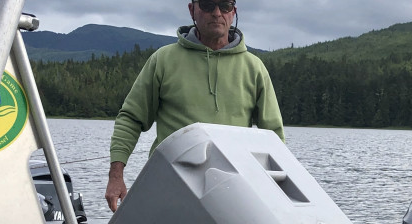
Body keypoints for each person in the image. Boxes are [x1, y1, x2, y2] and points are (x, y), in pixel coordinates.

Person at [105, 0, 285, 211]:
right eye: (208, 5)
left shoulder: (255, 68)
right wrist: (116, 176)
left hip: (234, 194)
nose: (217, 13)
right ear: (192, 10)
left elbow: (273, 138)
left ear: (233, 12)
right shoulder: (162, 60)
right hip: (168, 187)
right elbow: (131, 118)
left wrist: (276, 191)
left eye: (225, 6)